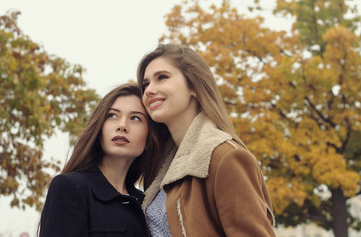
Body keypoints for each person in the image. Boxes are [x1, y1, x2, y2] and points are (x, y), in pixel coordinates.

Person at [137, 44, 276, 236]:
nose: (149, 90)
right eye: (145, 84)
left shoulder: (226, 158)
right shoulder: (161, 168)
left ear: (193, 86)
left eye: (162, 77)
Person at [38, 83, 152, 237]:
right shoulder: (70, 187)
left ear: (149, 138)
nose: (122, 125)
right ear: (99, 129)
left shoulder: (146, 203)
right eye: (112, 115)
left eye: (135, 118)